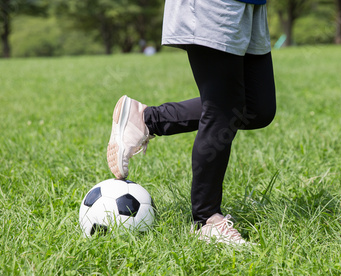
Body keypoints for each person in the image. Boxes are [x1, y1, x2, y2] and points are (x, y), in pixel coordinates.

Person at [107, 0, 276, 245]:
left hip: (252, 5)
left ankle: (146, 119)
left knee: (257, 108)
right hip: (216, 4)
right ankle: (206, 220)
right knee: (222, 109)